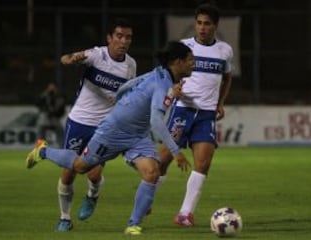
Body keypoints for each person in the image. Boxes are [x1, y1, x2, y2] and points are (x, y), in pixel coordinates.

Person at [25, 41, 194, 235]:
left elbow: (130, 84)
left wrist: (121, 98)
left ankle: (133, 224)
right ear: (178, 62)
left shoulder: (160, 73)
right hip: (113, 131)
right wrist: (176, 151)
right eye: (190, 60)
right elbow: (156, 121)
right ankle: (43, 151)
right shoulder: (162, 83)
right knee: (81, 166)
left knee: (151, 173)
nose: (193, 64)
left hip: (138, 135)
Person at [55, 18, 137, 231]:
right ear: (109, 38)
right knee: (68, 172)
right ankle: (65, 218)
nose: (124, 41)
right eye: (119, 36)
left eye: (128, 37)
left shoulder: (130, 65)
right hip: (79, 121)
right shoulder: (95, 55)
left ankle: (92, 194)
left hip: (104, 126)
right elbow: (65, 59)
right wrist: (74, 58)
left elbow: (127, 95)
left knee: (93, 172)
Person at [157, 3, 234, 227]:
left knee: (203, 163)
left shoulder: (224, 50)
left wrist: (220, 102)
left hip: (207, 114)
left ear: (215, 26)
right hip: (183, 109)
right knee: (162, 160)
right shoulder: (183, 46)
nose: (202, 28)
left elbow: (227, 77)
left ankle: (185, 213)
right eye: (199, 23)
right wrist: (172, 90)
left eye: (207, 24)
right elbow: (166, 73)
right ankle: (147, 199)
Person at [35, 82, 66, 147]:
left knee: (61, 136)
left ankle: (63, 149)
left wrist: (55, 113)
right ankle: (40, 150)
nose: (51, 90)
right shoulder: (44, 96)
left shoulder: (59, 97)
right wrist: (44, 95)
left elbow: (62, 110)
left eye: (53, 88)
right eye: (50, 88)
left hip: (55, 119)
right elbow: (37, 103)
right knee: (40, 136)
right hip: (44, 118)